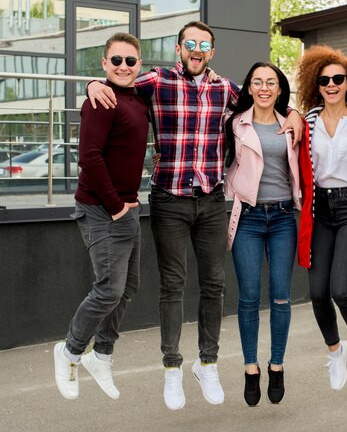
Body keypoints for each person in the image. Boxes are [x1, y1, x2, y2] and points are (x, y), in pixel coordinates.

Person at [87, 21, 303, 411]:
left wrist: (296, 113)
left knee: (214, 285)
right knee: (172, 286)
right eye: (190, 44)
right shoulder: (157, 82)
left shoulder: (225, 89)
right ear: (178, 49)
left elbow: (265, 100)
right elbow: (120, 78)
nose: (196, 49)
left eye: (204, 44)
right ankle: (172, 368)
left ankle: (208, 363)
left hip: (212, 200)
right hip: (170, 199)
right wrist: (92, 84)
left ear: (212, 52)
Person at [54, 32, 149, 400]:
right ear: (105, 65)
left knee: (128, 287)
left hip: (125, 206)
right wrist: (115, 206)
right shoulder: (100, 101)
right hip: (102, 208)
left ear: (138, 65)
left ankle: (102, 355)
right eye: (116, 61)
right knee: (109, 288)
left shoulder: (138, 99)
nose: (123, 66)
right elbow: (89, 157)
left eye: (130, 61)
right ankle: (70, 351)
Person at [296, 45, 347, 391]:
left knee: (340, 290)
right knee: (317, 293)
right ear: (316, 86)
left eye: (338, 79)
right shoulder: (308, 122)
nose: (331, 84)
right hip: (320, 209)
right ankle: (335, 351)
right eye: (324, 80)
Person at [223, 62, 300, 406]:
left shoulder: (291, 125)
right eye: (258, 82)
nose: (265, 87)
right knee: (249, 296)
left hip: (283, 216)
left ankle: (277, 364)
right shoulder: (234, 124)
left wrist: (295, 111)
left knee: (281, 295)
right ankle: (251, 367)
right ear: (249, 88)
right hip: (249, 219)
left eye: (271, 82)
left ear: (280, 88)